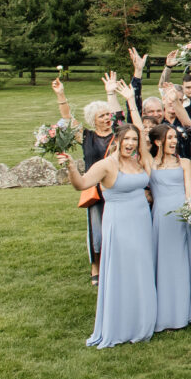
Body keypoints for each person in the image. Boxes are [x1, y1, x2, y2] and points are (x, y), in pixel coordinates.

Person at [60, 111, 156, 349]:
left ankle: (142, 319)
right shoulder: (106, 165)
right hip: (119, 222)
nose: (131, 144)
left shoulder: (137, 162)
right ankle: (120, 322)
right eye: (127, 140)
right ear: (118, 141)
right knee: (122, 270)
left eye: (135, 140)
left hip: (142, 220)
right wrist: (71, 167)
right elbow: (81, 184)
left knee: (141, 268)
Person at [52, 73, 125, 285]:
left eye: (108, 114)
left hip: (116, 187)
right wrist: (61, 94)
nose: (106, 118)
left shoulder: (119, 134)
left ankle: (117, 264)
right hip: (95, 190)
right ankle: (96, 266)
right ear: (93, 119)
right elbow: (67, 119)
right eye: (102, 116)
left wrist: (111, 93)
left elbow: (121, 116)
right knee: (96, 229)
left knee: (118, 227)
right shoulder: (86, 136)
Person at [147, 124, 191, 332]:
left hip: (181, 216)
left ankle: (187, 311)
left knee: (183, 262)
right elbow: (141, 142)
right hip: (161, 217)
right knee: (165, 264)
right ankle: (167, 312)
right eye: (169, 138)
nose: (174, 141)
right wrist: (131, 102)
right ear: (158, 141)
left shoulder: (184, 162)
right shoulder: (150, 163)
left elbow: (188, 188)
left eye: (175, 137)